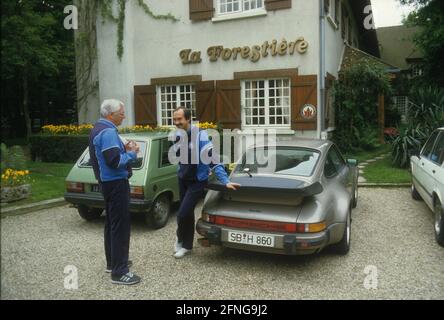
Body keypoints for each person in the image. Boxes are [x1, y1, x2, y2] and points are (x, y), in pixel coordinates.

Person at [172, 106, 241, 259]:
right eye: (174, 119)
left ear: (188, 119)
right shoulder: (177, 134)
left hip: (197, 182)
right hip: (182, 178)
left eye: (179, 119)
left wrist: (225, 181)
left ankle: (180, 236)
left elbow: (213, 158)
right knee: (187, 213)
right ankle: (186, 246)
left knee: (182, 213)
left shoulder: (200, 136)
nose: (176, 122)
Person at [89, 99, 141, 285]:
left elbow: (107, 156)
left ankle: (113, 263)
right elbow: (114, 161)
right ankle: (119, 272)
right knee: (120, 227)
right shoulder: (108, 131)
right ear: (110, 114)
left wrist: (123, 149)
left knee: (112, 223)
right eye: (121, 113)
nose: (124, 116)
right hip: (116, 183)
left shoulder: (97, 128)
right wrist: (132, 153)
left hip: (106, 183)